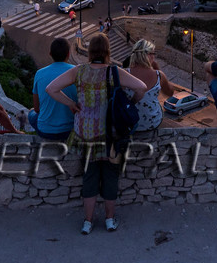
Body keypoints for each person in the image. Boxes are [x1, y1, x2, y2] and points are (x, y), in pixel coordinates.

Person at [45, 34, 153, 235]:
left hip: (86, 135)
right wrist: (131, 103)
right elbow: (142, 87)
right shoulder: (114, 71)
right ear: (107, 52)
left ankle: (87, 222)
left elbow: (51, 89)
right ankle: (110, 220)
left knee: (90, 176)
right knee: (111, 176)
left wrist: (71, 104)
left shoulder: (79, 71)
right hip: (111, 134)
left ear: (90, 52)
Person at [29, 38, 78, 141]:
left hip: (45, 131)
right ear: (68, 54)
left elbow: (37, 109)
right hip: (70, 130)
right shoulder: (76, 72)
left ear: (50, 54)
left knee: (31, 113)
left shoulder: (39, 73)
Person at [125, 40, 171, 132]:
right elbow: (169, 92)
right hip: (152, 122)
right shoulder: (158, 75)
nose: (154, 57)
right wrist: (157, 69)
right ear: (147, 55)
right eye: (152, 53)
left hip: (130, 122)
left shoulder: (124, 74)